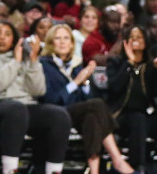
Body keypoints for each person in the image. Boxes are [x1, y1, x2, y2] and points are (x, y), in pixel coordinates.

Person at [0, 21, 72, 174]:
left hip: (20, 109)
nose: (2, 38)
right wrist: (15, 63)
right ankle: (10, 170)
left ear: (14, 39)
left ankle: (53, 170)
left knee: (58, 115)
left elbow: (38, 90)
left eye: (7, 34)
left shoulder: (24, 58)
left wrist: (33, 60)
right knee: (15, 109)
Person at [39, 24, 134, 174]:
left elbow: (85, 100)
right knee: (97, 104)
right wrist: (76, 82)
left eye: (66, 38)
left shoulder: (76, 64)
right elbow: (50, 98)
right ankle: (118, 159)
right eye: (58, 38)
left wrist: (84, 84)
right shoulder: (44, 64)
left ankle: (93, 170)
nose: (63, 42)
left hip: (76, 112)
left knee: (91, 117)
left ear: (72, 43)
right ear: (51, 42)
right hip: (54, 113)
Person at [105, 25, 157, 174]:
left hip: (148, 116)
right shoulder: (115, 62)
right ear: (125, 42)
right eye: (132, 37)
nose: (135, 40)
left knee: (140, 118)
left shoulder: (150, 66)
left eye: (139, 37)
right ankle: (137, 168)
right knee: (137, 118)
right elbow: (115, 87)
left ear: (146, 41)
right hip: (119, 116)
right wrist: (129, 63)